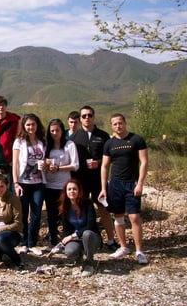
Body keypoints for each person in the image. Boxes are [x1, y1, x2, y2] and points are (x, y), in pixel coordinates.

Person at [99, 114, 149, 264]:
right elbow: (105, 166)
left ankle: (139, 251)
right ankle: (123, 247)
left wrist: (140, 183)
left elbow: (144, 162)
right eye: (115, 124)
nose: (118, 126)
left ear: (125, 123)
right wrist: (104, 188)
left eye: (120, 123)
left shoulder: (136, 140)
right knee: (118, 216)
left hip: (131, 183)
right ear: (111, 126)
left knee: (134, 217)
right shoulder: (109, 143)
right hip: (115, 184)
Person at [70, 105, 117, 250]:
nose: (87, 118)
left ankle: (111, 240)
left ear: (93, 117)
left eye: (89, 115)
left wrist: (100, 163)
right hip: (80, 180)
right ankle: (79, 240)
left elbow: (111, 157)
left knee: (104, 208)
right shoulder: (74, 137)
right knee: (80, 209)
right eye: (83, 116)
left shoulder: (102, 136)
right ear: (80, 118)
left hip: (98, 179)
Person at [12, 113, 46, 256]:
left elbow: (47, 159)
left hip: (38, 182)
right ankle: (24, 242)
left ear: (37, 125)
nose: (30, 127)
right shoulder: (19, 142)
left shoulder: (42, 141)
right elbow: (15, 164)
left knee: (36, 214)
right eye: (28, 125)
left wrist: (46, 164)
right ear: (24, 126)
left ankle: (33, 242)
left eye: (33, 124)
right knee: (23, 213)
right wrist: (16, 183)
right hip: (23, 182)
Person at [43, 118, 79, 247]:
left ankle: (66, 238)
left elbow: (75, 165)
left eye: (57, 130)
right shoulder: (46, 146)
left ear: (62, 131)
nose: (54, 133)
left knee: (64, 212)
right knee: (51, 213)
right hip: (48, 184)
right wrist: (46, 164)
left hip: (64, 185)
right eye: (52, 130)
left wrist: (59, 168)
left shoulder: (69, 145)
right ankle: (53, 238)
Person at [57, 179, 102, 277]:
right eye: (69, 189)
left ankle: (89, 263)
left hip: (91, 237)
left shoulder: (88, 204)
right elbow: (66, 230)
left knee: (87, 234)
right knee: (69, 251)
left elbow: (91, 225)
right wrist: (62, 243)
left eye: (74, 189)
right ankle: (79, 257)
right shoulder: (65, 206)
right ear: (66, 192)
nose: (72, 191)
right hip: (76, 239)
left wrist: (73, 235)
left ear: (79, 191)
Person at [0, 95, 21, 185]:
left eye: (3, 105)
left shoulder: (15, 120)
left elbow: (18, 140)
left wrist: (15, 158)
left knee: (10, 185)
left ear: (6, 106)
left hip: (10, 159)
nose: (1, 107)